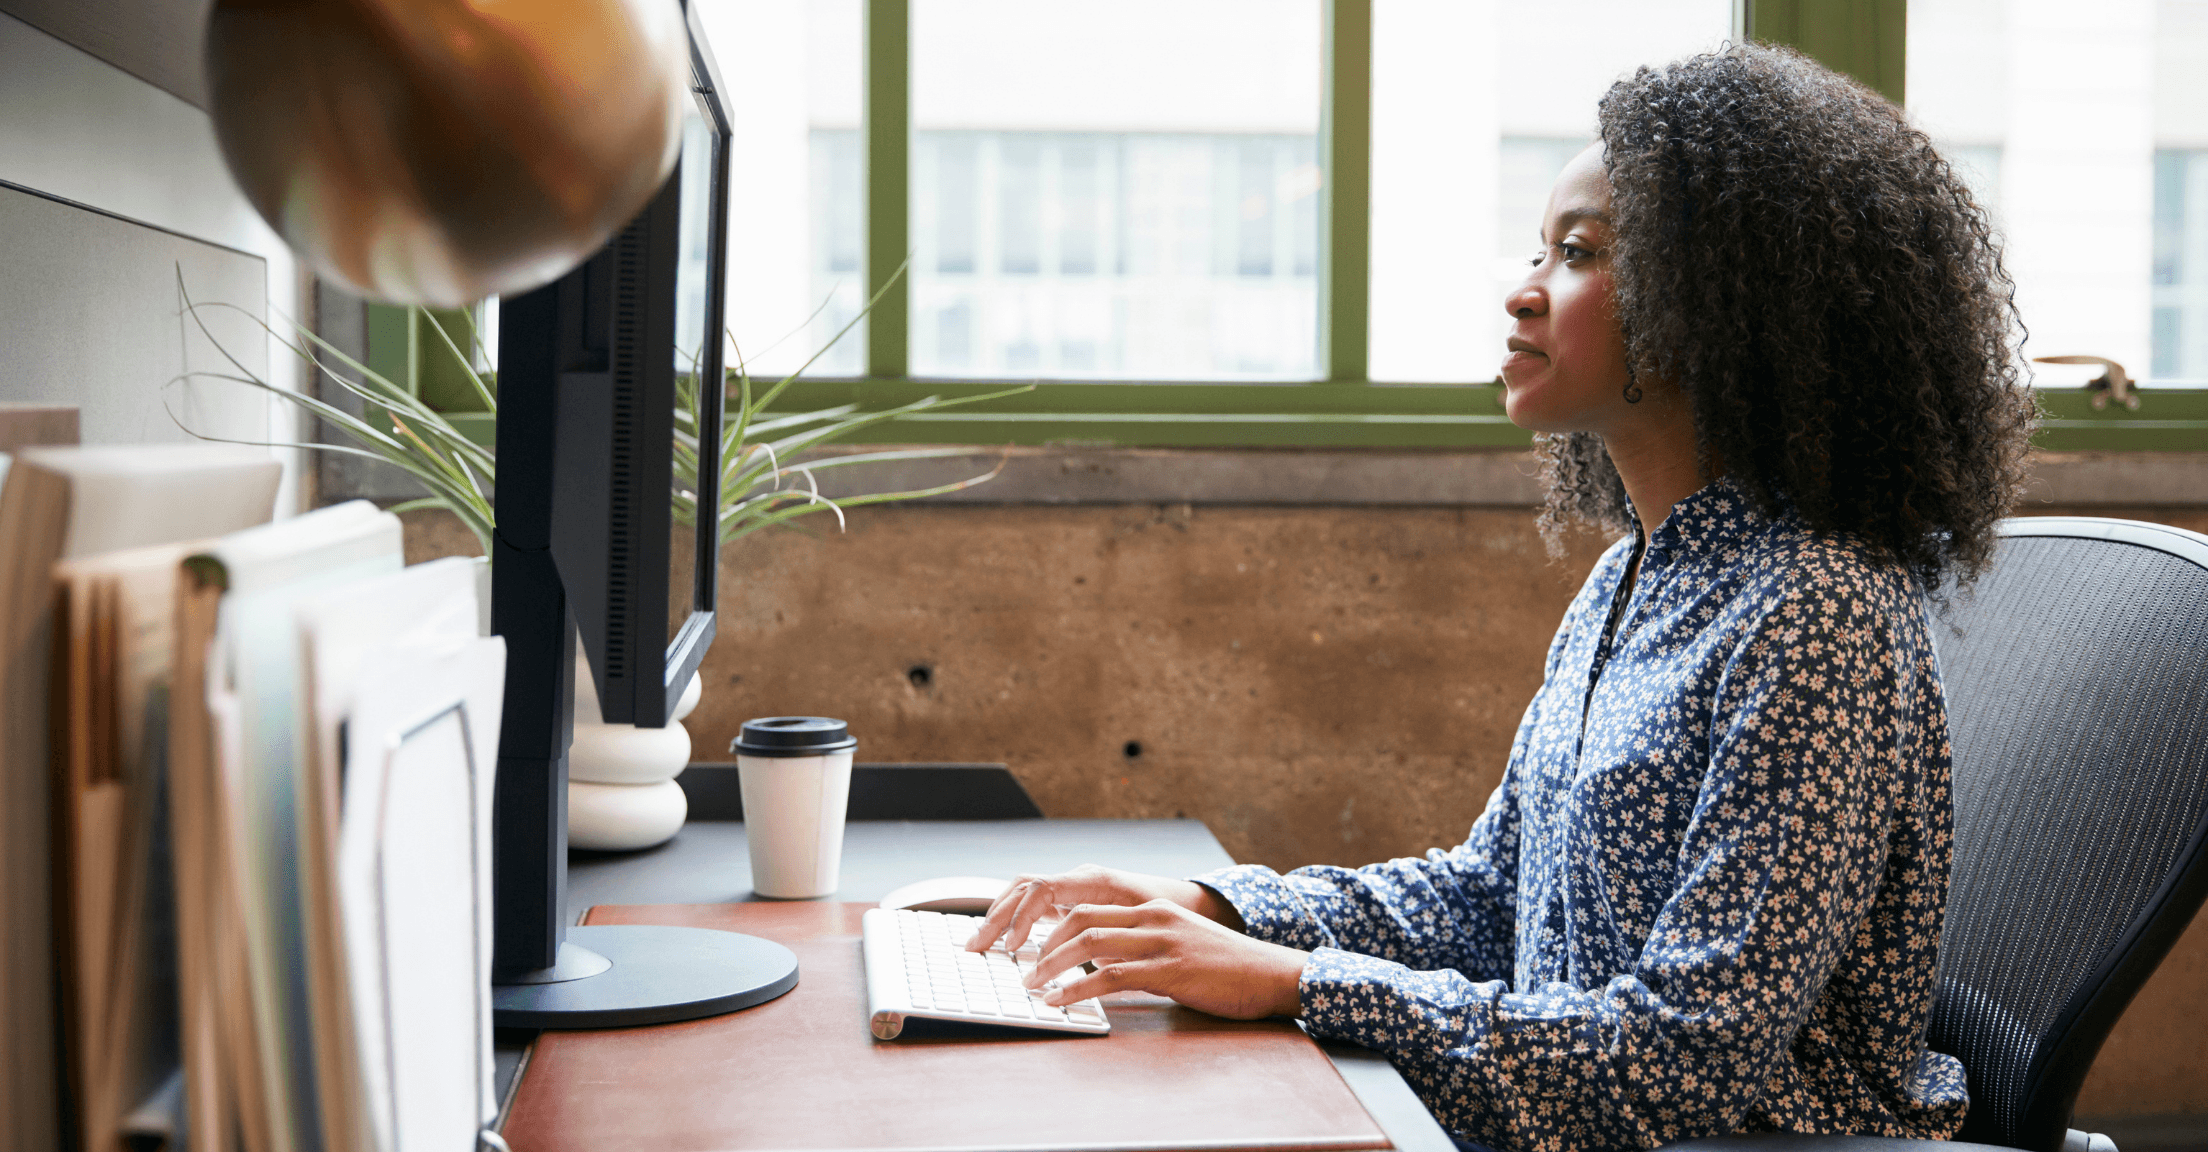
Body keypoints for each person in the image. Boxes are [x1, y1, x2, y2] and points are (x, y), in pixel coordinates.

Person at [966, 43, 2038, 1152]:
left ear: (1727, 306)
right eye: (1540, 250)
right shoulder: (1636, 576)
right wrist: (1218, 909)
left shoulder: (1817, 612)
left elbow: (1685, 1059)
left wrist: (1295, 982)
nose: (1524, 290)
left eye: (1578, 256)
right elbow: (1490, 896)